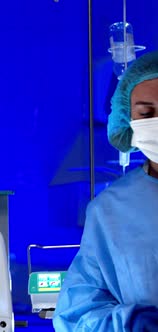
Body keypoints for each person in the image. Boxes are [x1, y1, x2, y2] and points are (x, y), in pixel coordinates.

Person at [53, 51, 158, 331]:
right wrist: (133, 322)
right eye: (146, 113)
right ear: (129, 119)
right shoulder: (112, 210)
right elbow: (76, 314)